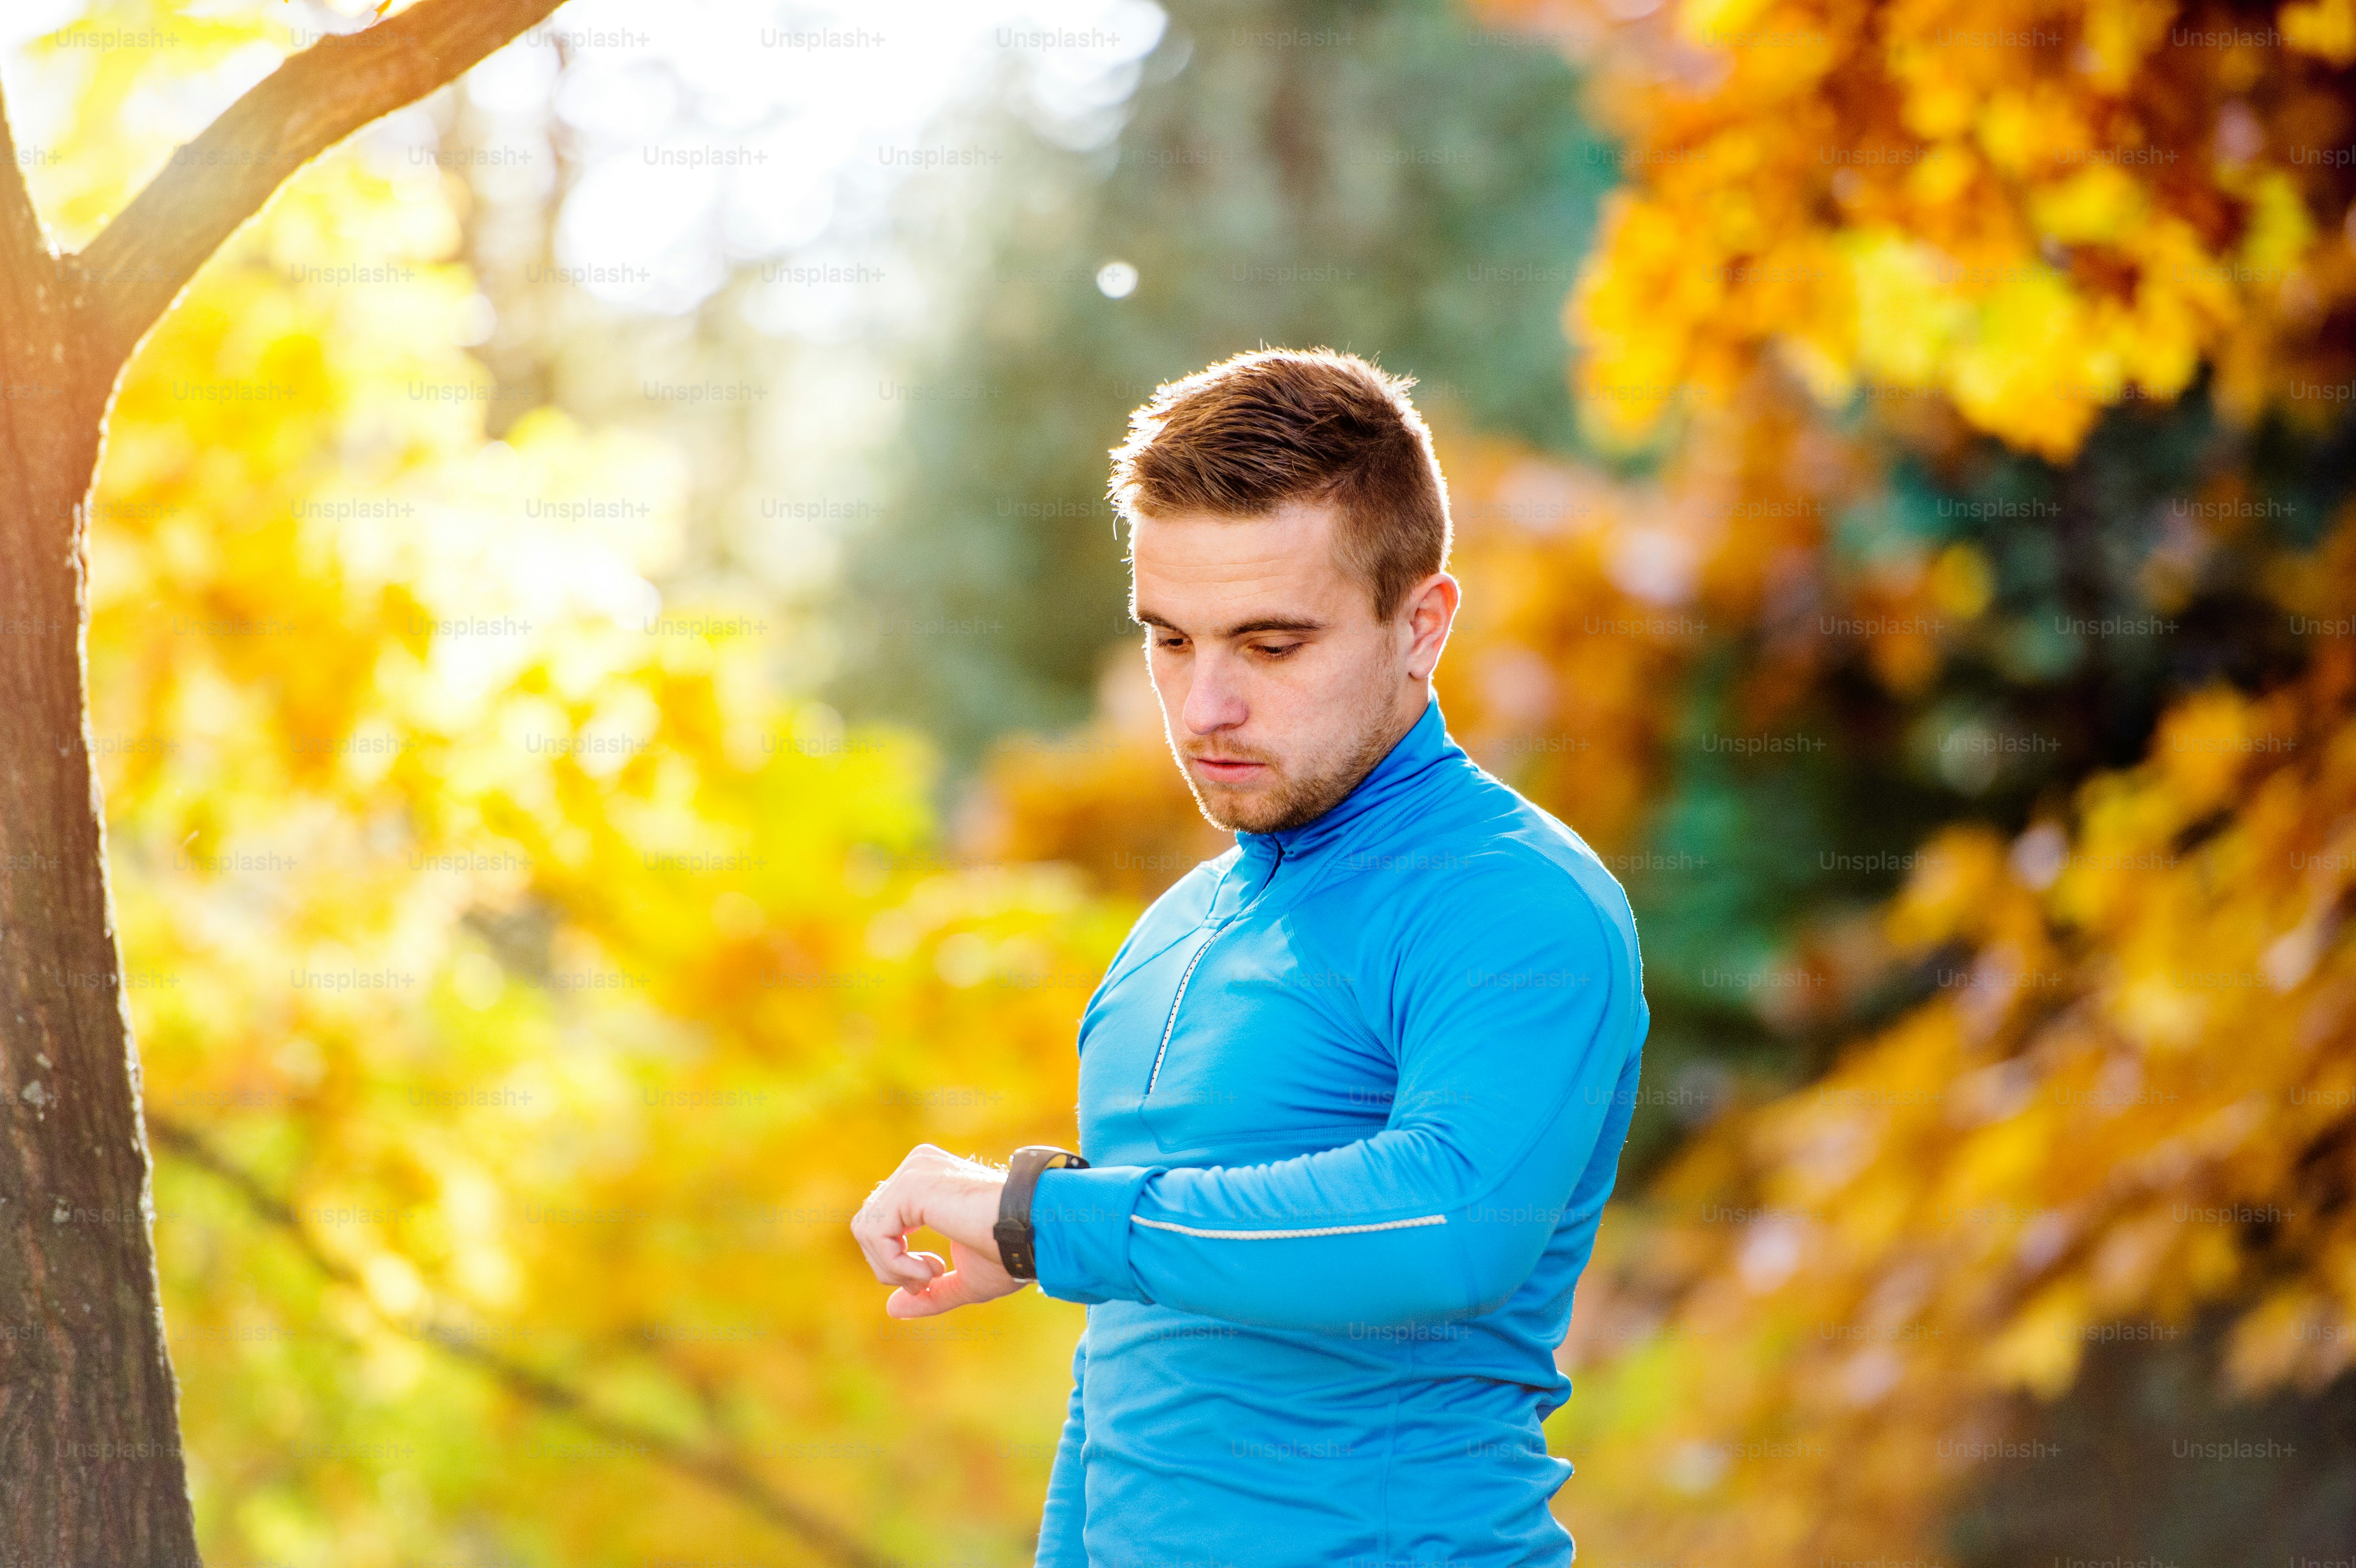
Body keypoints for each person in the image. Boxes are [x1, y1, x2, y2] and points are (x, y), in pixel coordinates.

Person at [851, 347, 1650, 1568]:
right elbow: (1124, 1375)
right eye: (1169, 640)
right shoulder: (1171, 931)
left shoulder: (1514, 900)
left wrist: (1042, 1219)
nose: (1203, 705)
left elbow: (1452, 1220)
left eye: (1271, 646)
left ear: (1420, 624)